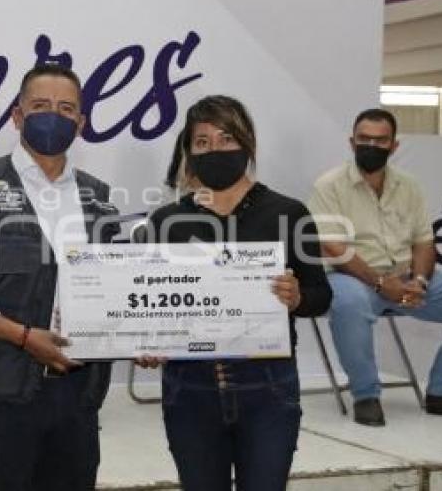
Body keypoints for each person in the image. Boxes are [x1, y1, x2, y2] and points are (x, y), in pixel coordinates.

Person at [0, 64, 121, 491]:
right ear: (17, 116)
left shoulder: (98, 195)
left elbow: (117, 290)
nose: (53, 115)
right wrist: (22, 336)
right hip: (2, 388)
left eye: (66, 108)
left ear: (81, 123)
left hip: (79, 392)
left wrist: (145, 337)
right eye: (40, 106)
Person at [138, 95, 332, 491]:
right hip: (188, 388)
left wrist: (296, 298)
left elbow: (321, 295)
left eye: (226, 139)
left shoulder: (289, 213)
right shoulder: (166, 221)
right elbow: (145, 304)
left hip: (269, 387)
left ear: (247, 144)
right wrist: (145, 340)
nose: (215, 150)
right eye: (202, 142)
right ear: (188, 152)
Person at [308, 108, 442, 426]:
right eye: (364, 139)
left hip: (403, 277)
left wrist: (419, 281)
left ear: (394, 146)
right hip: (350, 276)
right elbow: (333, 247)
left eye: (380, 140)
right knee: (349, 302)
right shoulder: (329, 185)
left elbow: (424, 242)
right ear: (352, 141)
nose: (371, 146)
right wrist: (380, 283)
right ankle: (366, 395)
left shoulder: (409, 185)